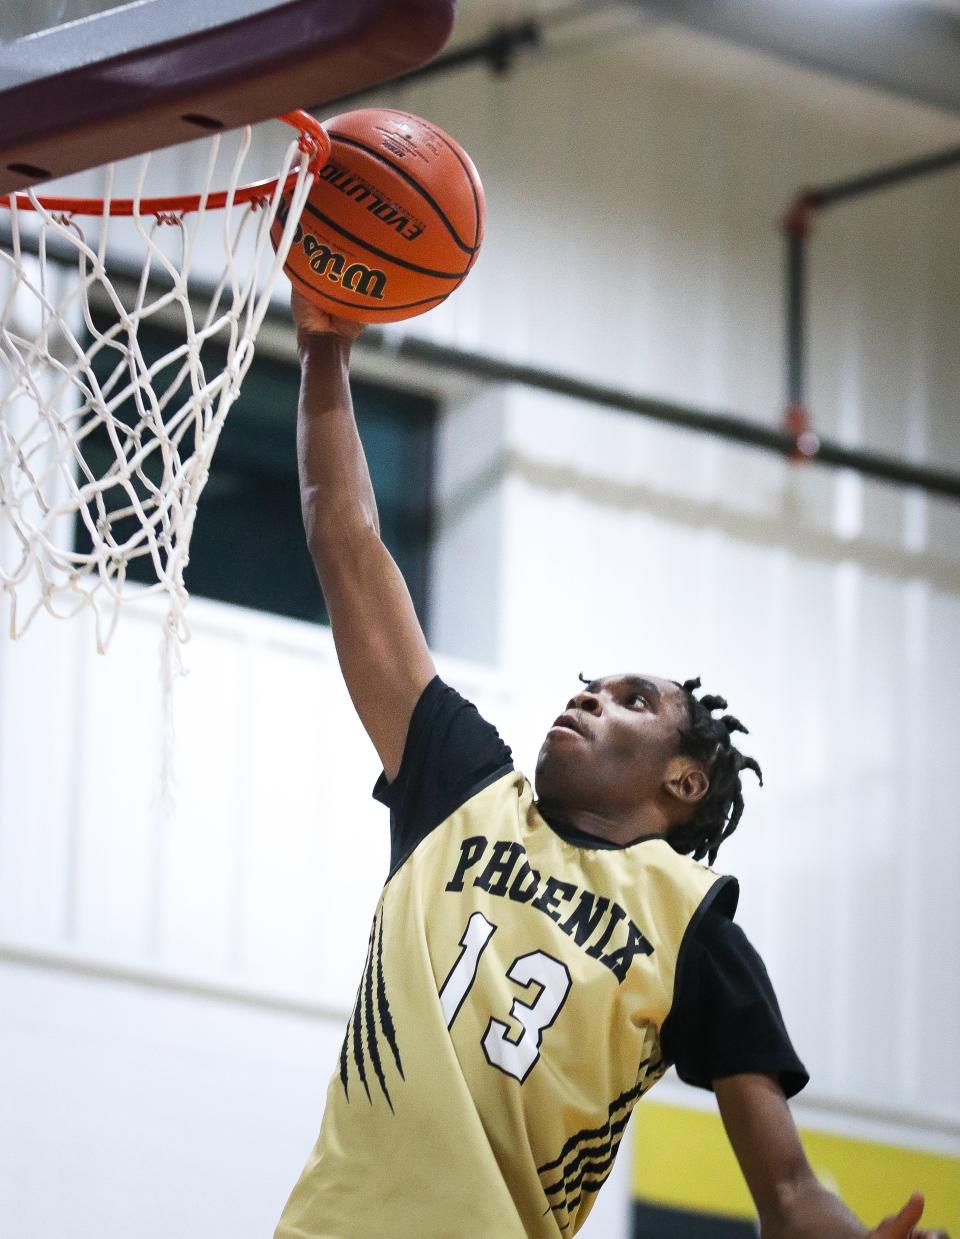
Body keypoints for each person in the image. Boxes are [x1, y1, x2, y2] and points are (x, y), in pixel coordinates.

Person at [275, 291, 948, 1239]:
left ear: (685, 782)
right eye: (592, 685)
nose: (590, 695)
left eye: (635, 698)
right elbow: (346, 539)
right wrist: (325, 345)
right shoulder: (460, 783)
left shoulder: (691, 923)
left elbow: (789, 1194)